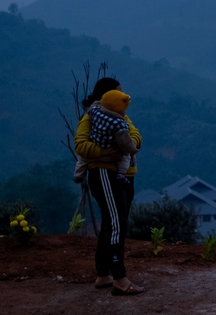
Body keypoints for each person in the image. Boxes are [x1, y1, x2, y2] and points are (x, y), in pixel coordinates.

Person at [74, 77, 145, 296]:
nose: (124, 97)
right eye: (120, 93)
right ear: (107, 95)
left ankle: (103, 274)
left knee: (111, 223)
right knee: (116, 223)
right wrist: (107, 152)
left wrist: (127, 144)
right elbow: (81, 145)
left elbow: (136, 136)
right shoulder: (91, 117)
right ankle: (120, 278)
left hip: (125, 175)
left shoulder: (119, 116)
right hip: (105, 173)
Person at [73, 89, 138, 184]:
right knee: (125, 157)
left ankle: (78, 175)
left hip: (94, 154)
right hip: (107, 163)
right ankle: (121, 174)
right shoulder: (120, 124)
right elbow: (126, 141)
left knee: (82, 159)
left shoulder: (95, 112)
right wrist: (131, 149)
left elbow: (93, 106)